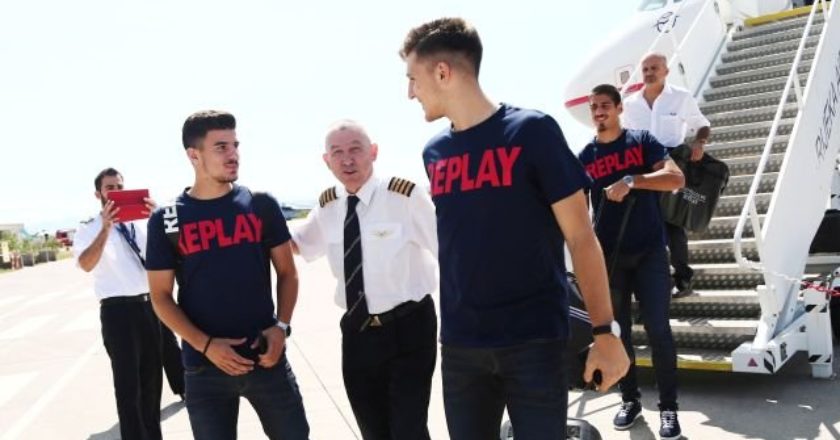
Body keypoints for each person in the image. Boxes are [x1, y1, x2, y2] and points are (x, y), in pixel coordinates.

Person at [399, 17, 630, 440]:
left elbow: (581, 238)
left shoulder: (531, 132)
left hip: (533, 343)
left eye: (413, 78)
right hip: (461, 347)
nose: (410, 92)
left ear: (442, 72)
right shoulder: (434, 152)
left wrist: (605, 333)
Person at [145, 110, 309, 440]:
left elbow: (287, 273)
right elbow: (160, 297)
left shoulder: (260, 205)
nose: (233, 154)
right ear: (194, 155)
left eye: (235, 145)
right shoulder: (168, 219)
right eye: (221, 147)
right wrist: (206, 345)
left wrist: (281, 328)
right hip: (204, 369)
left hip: (266, 357)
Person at [292, 120, 438, 440]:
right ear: (327, 161)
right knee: (372, 429)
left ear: (373, 152)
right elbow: (298, 244)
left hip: (409, 327)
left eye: (355, 149)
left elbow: (446, 249)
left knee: (408, 429)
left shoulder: (404, 195)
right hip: (358, 331)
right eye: (337, 152)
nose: (347, 160)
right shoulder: (329, 205)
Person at [578, 84, 685, 440]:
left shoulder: (641, 141)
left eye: (604, 105)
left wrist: (631, 180)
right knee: (617, 333)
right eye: (594, 107)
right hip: (609, 258)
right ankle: (630, 400)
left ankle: (668, 408)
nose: (598, 112)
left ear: (619, 108)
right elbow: (575, 209)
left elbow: (676, 179)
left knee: (658, 329)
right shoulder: (585, 156)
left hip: (650, 252)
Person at [72, 167, 167, 440]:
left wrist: (158, 218)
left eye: (120, 187)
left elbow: (167, 254)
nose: (116, 192)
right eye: (110, 188)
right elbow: (86, 264)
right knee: (128, 389)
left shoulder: (141, 223)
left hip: (149, 307)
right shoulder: (88, 228)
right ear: (98, 194)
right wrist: (105, 229)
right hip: (117, 312)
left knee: (152, 384)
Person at [622, 52, 711, 298]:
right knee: (647, 225)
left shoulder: (680, 97)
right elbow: (626, 138)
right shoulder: (630, 104)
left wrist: (699, 142)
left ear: (666, 71)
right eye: (645, 69)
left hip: (672, 165)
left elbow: (702, 124)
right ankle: (655, 282)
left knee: (673, 225)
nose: (649, 73)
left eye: (654, 68)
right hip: (642, 168)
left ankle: (683, 279)